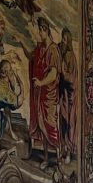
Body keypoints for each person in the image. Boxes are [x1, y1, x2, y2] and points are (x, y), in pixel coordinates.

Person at [25, 16, 63, 170]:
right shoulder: (39, 48)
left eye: (41, 30)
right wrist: (20, 44)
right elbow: (30, 57)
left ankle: (59, 157)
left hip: (49, 95)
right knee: (42, 125)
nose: (39, 33)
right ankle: (47, 157)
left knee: (51, 125)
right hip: (40, 94)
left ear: (46, 31)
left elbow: (53, 74)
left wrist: (41, 82)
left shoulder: (53, 50)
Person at [58, 27, 77, 159]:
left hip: (70, 96)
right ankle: (63, 148)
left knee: (69, 123)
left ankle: (69, 150)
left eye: (65, 40)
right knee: (62, 122)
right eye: (62, 39)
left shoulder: (70, 56)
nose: (63, 42)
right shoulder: (62, 53)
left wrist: (63, 74)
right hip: (63, 94)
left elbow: (72, 78)